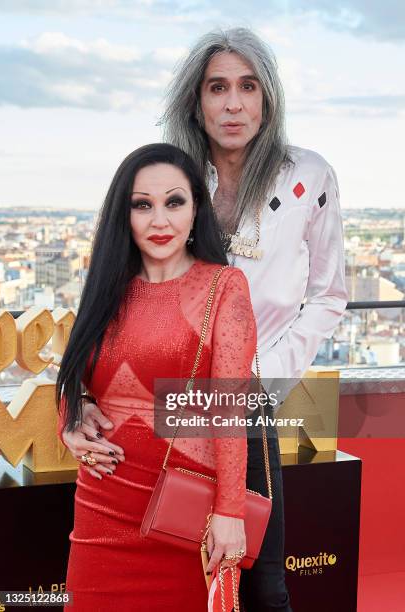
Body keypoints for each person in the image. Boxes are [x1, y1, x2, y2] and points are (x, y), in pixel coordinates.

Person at [61, 27, 348, 611]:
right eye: (218, 87)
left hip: (244, 399)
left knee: (262, 583)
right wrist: (79, 399)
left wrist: (264, 379)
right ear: (196, 100)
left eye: (248, 86)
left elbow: (328, 294)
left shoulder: (310, 175)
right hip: (163, 399)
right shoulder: (172, 176)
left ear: (268, 98)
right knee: (176, 581)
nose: (233, 103)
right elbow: (113, 301)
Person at [56, 143, 257, 611]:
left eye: (174, 202)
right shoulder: (108, 285)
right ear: (123, 215)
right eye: (142, 205)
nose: (159, 220)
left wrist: (230, 513)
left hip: (184, 513)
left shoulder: (223, 287)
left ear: (196, 210)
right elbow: (72, 375)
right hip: (101, 510)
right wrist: (73, 415)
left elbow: (227, 414)